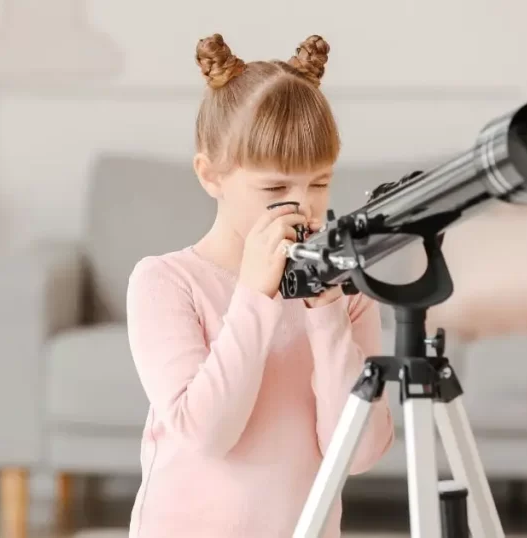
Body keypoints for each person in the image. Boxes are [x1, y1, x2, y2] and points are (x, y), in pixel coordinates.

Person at [125, 33, 396, 538]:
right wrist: (254, 295)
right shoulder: (165, 282)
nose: (303, 206)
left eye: (319, 183)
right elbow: (205, 435)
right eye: (274, 187)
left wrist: (329, 313)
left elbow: (357, 454)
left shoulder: (344, 294)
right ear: (210, 175)